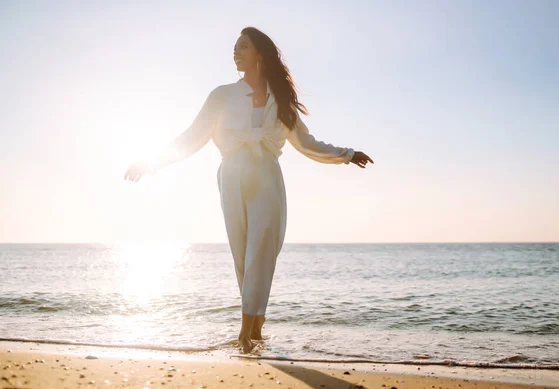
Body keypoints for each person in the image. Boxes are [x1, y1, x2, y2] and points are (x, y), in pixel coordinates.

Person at [124, 26, 374, 353]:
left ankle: (245, 334)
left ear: (260, 53)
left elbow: (306, 144)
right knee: (242, 256)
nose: (235, 52)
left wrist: (347, 155)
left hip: (267, 178)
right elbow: (192, 137)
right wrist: (151, 162)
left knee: (260, 254)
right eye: (234, 47)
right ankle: (256, 330)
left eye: (243, 46)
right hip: (231, 176)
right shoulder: (221, 96)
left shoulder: (282, 101)